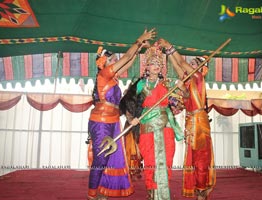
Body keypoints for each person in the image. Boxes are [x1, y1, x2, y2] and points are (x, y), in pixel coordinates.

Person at [87, 28, 156, 200]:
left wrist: (139, 49)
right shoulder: (103, 75)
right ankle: (91, 195)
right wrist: (139, 39)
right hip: (101, 122)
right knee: (101, 159)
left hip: (112, 121)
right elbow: (126, 58)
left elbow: (129, 62)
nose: (116, 61)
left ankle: (103, 191)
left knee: (110, 158)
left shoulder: (113, 78)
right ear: (104, 62)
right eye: (112, 59)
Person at [158, 38, 216, 200]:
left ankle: (201, 190)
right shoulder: (189, 80)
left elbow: (181, 63)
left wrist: (169, 46)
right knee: (194, 157)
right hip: (191, 122)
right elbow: (178, 66)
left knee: (201, 158)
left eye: (194, 63)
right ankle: (199, 188)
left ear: (199, 68)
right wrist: (168, 53)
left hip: (199, 122)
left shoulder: (197, 78)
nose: (190, 65)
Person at [130, 42, 183, 200]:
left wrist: (182, 87)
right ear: (146, 66)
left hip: (165, 126)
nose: (156, 66)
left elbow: (182, 101)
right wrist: (132, 118)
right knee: (150, 160)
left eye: (159, 64)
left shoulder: (168, 85)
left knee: (166, 160)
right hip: (147, 125)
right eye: (153, 63)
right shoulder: (139, 85)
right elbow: (130, 104)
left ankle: (163, 193)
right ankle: (152, 192)